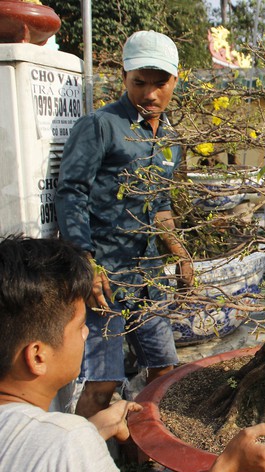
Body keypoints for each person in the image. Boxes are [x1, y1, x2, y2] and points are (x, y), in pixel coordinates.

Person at [0, 236, 265, 472]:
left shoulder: (62, 439)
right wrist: (229, 466)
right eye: (80, 325)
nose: (87, 331)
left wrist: (91, 429)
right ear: (38, 356)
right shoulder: (68, 445)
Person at [55, 30, 193, 418]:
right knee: (102, 383)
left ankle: (144, 451)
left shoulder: (170, 137)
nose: (150, 94)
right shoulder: (100, 125)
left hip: (149, 277)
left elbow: (160, 204)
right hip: (105, 278)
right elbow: (71, 193)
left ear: (175, 81)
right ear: (124, 77)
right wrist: (88, 264)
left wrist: (180, 253)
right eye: (139, 83)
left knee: (164, 370)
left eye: (160, 83)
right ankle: (82, 462)